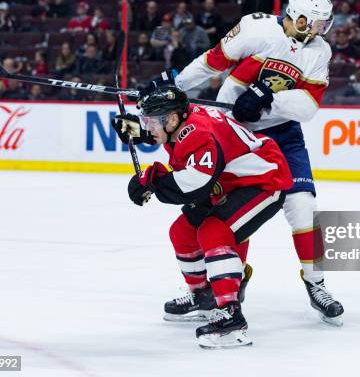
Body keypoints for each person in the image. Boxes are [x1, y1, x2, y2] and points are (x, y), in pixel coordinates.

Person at [143, 0, 345, 326]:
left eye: (324, 24)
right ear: (295, 16)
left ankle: (316, 283)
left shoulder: (319, 52)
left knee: (302, 207)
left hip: (283, 133)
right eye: (314, 22)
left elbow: (309, 106)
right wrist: (175, 87)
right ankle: (224, 287)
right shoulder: (256, 28)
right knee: (234, 211)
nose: (320, 30)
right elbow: (212, 62)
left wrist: (268, 99)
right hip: (237, 132)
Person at [111, 85, 292, 348]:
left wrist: (151, 179)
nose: (149, 125)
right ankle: (203, 295)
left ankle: (232, 317)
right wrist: (143, 133)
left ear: (173, 118)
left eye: (152, 121)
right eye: (147, 121)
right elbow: (183, 146)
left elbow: (195, 183)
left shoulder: (198, 132)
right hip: (230, 182)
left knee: (213, 231)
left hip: (263, 182)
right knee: (182, 233)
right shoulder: (184, 120)